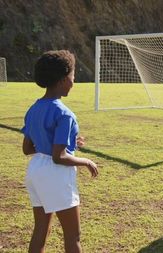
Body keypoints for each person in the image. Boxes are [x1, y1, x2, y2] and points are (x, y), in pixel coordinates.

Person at [22, 50, 98, 253]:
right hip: (55, 175)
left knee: (40, 230)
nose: (74, 81)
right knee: (73, 236)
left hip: (35, 171)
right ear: (64, 80)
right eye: (73, 76)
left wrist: (69, 143)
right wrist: (86, 161)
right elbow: (59, 156)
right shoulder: (65, 113)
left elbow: (27, 148)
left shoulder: (33, 108)